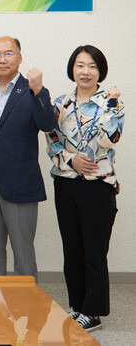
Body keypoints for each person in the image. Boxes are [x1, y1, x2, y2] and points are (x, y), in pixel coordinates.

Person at [46, 45, 123, 332]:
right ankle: (77, 305)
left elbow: (109, 139)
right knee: (72, 249)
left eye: (92, 66)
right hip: (66, 184)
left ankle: (93, 312)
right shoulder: (60, 103)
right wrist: (70, 159)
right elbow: (52, 140)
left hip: (98, 186)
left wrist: (111, 104)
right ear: (72, 69)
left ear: (100, 71)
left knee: (94, 251)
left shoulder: (111, 103)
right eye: (80, 65)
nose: (85, 71)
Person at [0, 36, 56, 279]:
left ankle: (26, 302)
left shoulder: (32, 90)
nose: (2, 59)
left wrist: (39, 91)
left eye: (8, 53)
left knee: (23, 253)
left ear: (20, 57)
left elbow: (48, 124)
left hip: (21, 183)